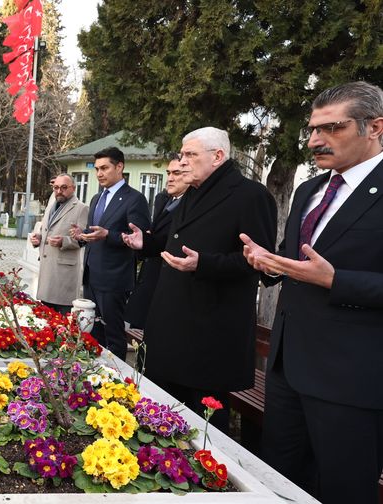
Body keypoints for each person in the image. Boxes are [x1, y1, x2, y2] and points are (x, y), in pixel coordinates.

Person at [241, 81, 383, 503]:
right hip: (287, 369)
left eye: (330, 128)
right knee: (280, 482)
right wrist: (269, 264)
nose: (314, 140)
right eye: (312, 129)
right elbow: (298, 266)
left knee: (344, 489)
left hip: (351, 381)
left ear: (375, 127)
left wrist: (335, 281)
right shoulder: (310, 190)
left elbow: (323, 274)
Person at [124, 127, 276, 432]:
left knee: (204, 429)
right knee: (162, 417)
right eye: (182, 154)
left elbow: (258, 262)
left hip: (210, 334)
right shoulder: (193, 192)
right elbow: (176, 241)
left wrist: (203, 264)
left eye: (190, 154)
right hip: (171, 327)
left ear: (217, 156)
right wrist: (149, 244)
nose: (181, 162)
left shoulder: (250, 196)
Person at [72, 147, 150, 359]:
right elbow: (96, 232)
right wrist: (83, 235)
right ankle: (93, 376)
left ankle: (116, 379)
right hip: (91, 276)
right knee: (92, 331)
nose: (99, 173)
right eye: (97, 169)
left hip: (114, 279)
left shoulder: (135, 199)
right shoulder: (97, 198)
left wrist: (109, 235)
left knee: (113, 335)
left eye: (104, 168)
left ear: (119, 166)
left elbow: (139, 239)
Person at [124, 156, 189, 329]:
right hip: (149, 279)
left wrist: (147, 240)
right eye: (168, 173)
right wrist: (142, 241)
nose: (170, 178)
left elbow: (171, 242)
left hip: (168, 285)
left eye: (177, 173)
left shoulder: (191, 205)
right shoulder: (164, 199)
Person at [29, 173, 89, 315]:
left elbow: (83, 239)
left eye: (63, 187)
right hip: (46, 272)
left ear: (73, 188)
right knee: (45, 318)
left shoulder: (81, 208)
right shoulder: (51, 206)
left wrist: (65, 241)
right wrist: (39, 238)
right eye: (56, 187)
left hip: (64, 276)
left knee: (62, 319)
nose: (59, 191)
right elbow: (47, 232)